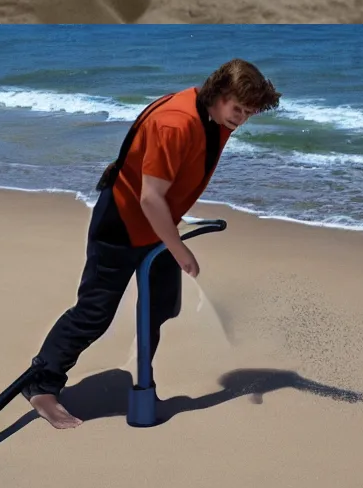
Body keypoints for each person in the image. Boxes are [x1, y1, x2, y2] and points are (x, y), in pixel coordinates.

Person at [24, 58, 281, 429]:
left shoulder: (213, 116)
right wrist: (179, 248)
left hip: (158, 227)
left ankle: (144, 382)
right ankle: (42, 385)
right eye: (237, 109)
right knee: (94, 313)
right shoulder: (176, 122)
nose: (240, 119)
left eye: (249, 113)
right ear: (218, 94)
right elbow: (149, 198)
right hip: (123, 224)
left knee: (160, 307)